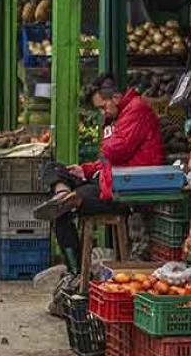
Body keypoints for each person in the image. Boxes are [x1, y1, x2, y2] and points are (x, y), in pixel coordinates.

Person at [34, 75, 164, 272]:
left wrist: (107, 130)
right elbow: (107, 159)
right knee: (52, 168)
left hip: (120, 187)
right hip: (105, 177)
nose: (103, 112)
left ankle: (76, 270)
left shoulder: (136, 109)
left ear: (116, 97)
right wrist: (85, 170)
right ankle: (62, 195)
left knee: (64, 212)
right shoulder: (119, 116)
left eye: (103, 107)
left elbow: (116, 151)